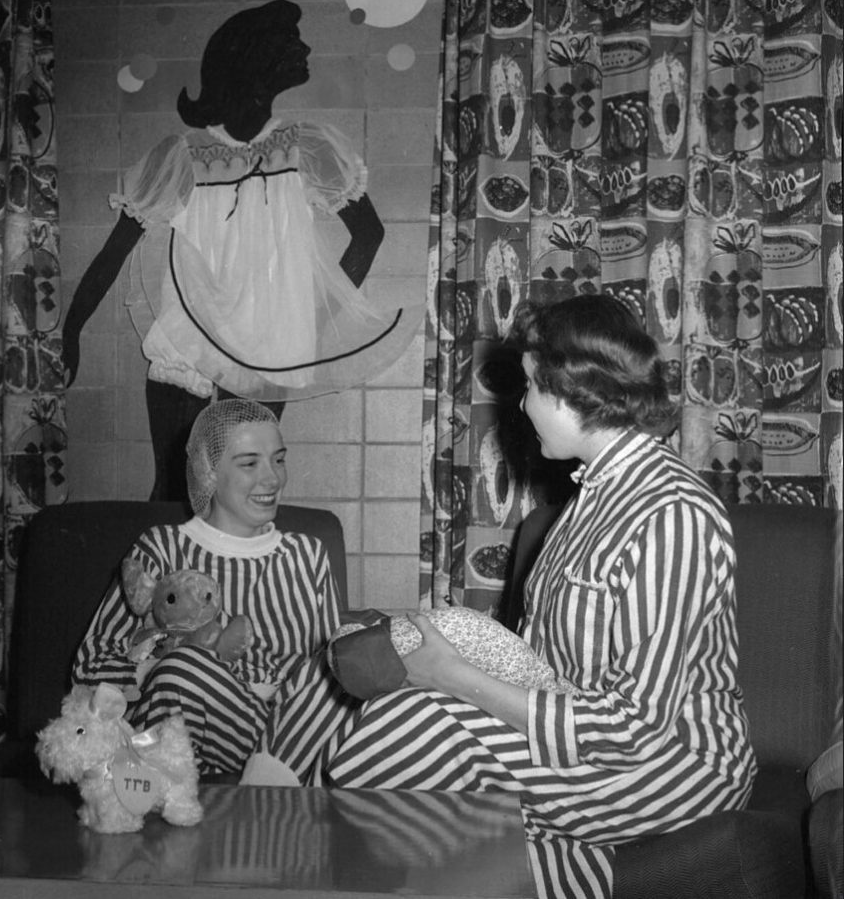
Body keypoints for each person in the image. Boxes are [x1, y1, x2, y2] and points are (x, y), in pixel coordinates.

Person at [255, 294, 757, 899]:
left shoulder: (670, 513)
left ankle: (292, 868)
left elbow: (635, 732)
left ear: (574, 391)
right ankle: (300, 845)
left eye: (530, 389)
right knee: (361, 682)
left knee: (413, 726)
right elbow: (542, 668)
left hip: (674, 765)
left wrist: (453, 678)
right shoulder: (587, 502)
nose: (522, 405)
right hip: (579, 731)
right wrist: (437, 653)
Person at [61, 0, 421, 503]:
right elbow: (117, 247)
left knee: (239, 494)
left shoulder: (306, 147)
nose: (305, 49)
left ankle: (230, 584)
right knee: (171, 489)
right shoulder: (182, 155)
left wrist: (310, 325)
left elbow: (369, 235)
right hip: (187, 343)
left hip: (265, 357)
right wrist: (71, 327)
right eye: (290, 43)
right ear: (257, 59)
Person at [71, 398, 353, 778]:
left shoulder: (308, 554)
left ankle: (273, 775)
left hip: (282, 733)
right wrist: (165, 666)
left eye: (279, 460)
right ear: (207, 470)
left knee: (352, 664)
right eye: (250, 463)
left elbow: (332, 673)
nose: (272, 479)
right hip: (179, 727)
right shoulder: (162, 546)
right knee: (185, 670)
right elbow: (91, 662)